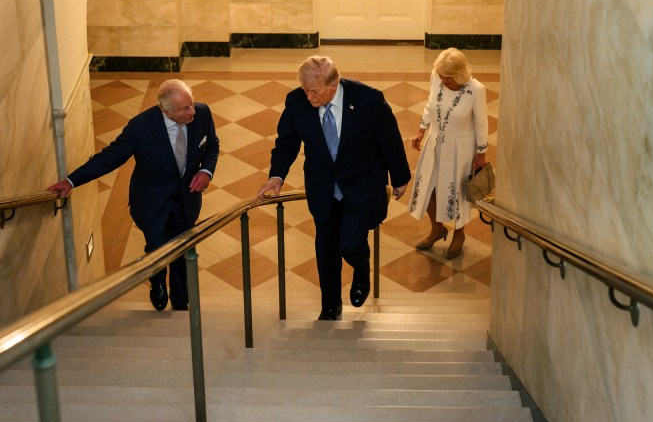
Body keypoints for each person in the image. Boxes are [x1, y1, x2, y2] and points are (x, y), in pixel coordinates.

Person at [257, 56, 411, 320]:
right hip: (323, 187)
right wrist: (276, 176)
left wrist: (399, 177)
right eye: (305, 89)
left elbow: (390, 140)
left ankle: (362, 269)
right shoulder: (296, 101)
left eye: (314, 91)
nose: (308, 96)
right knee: (325, 248)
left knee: (350, 243)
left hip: (361, 184)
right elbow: (287, 142)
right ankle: (330, 306)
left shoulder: (369, 100)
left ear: (334, 84)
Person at [48, 79, 219, 311]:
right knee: (157, 246)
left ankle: (181, 303)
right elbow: (110, 158)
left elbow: (212, 145)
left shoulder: (202, 112)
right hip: (151, 202)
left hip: (186, 200)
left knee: (182, 248)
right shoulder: (141, 128)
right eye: (185, 108)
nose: (192, 111)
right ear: (166, 111)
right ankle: (157, 281)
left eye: (191, 104)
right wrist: (71, 181)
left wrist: (206, 171)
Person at [406, 48, 489, 258]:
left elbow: (481, 124)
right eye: (441, 76)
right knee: (427, 187)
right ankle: (437, 228)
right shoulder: (437, 77)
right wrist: (421, 131)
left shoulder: (476, 90)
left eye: (448, 78)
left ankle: (459, 233)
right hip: (434, 144)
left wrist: (481, 154)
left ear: (461, 74)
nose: (443, 81)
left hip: (460, 149)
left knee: (457, 193)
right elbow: (429, 104)